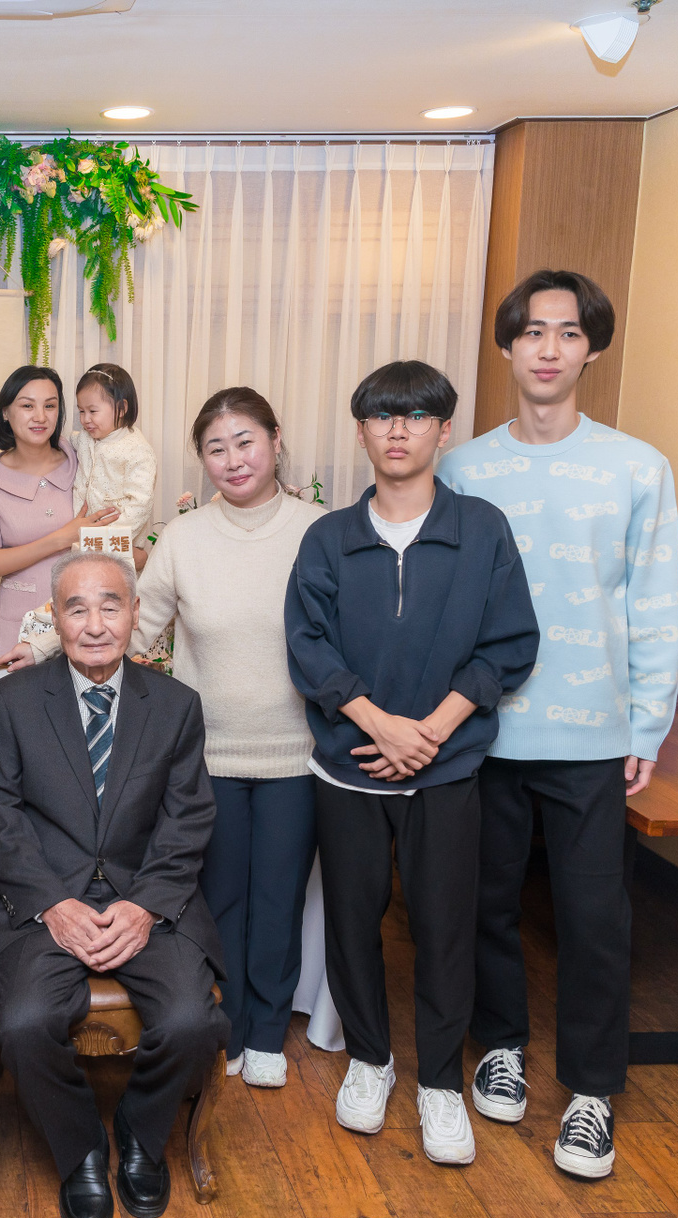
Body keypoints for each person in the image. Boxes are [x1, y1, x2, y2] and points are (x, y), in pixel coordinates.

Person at [7, 386, 328, 1088]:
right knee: (216, 901)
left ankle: (267, 1033)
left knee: (280, 900)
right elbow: (128, 624)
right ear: (201, 460)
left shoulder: (318, 531)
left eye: (245, 442)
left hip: (296, 753)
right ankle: (227, 1026)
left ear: (275, 440)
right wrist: (42, 649)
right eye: (216, 448)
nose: (232, 459)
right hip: (206, 753)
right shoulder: (184, 538)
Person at [439, 270, 678, 1181]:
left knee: (594, 918)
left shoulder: (636, 466)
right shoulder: (463, 468)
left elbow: (655, 599)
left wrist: (647, 725)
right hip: (482, 730)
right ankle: (499, 1045)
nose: (548, 348)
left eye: (568, 332)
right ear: (507, 346)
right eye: (532, 331)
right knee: (483, 904)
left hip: (592, 734)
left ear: (592, 348)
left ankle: (591, 1092)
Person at [284, 360, 539, 1167]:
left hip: (448, 765)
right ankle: (370, 1060)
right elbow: (307, 646)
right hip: (347, 763)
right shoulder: (328, 537)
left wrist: (429, 730)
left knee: (444, 924)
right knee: (353, 919)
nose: (398, 430)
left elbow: (509, 644)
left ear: (444, 429)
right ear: (361, 431)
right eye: (382, 416)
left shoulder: (482, 529)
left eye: (417, 415)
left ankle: (438, 1082)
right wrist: (377, 722)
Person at [0, 549, 229, 1218]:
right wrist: (52, 903)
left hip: (146, 901)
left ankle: (142, 1136)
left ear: (135, 614)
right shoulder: (13, 701)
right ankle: (80, 1148)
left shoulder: (175, 706)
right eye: (76, 608)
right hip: (44, 903)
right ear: (54, 617)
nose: (94, 624)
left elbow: (188, 819)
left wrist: (145, 906)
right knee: (25, 1023)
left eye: (110, 606)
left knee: (191, 1021)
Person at [0, 366, 120, 661]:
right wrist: (62, 538)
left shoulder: (81, 455)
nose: (40, 417)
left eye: (50, 406)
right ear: (5, 412)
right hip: (21, 619)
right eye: (27, 406)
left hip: (88, 615)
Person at [69, 363, 157, 551]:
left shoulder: (137, 450)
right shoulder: (85, 437)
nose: (85, 419)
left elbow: (141, 503)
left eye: (93, 411)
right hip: (82, 537)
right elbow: (69, 442)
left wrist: (108, 537)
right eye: (81, 411)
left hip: (118, 542)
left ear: (122, 408)